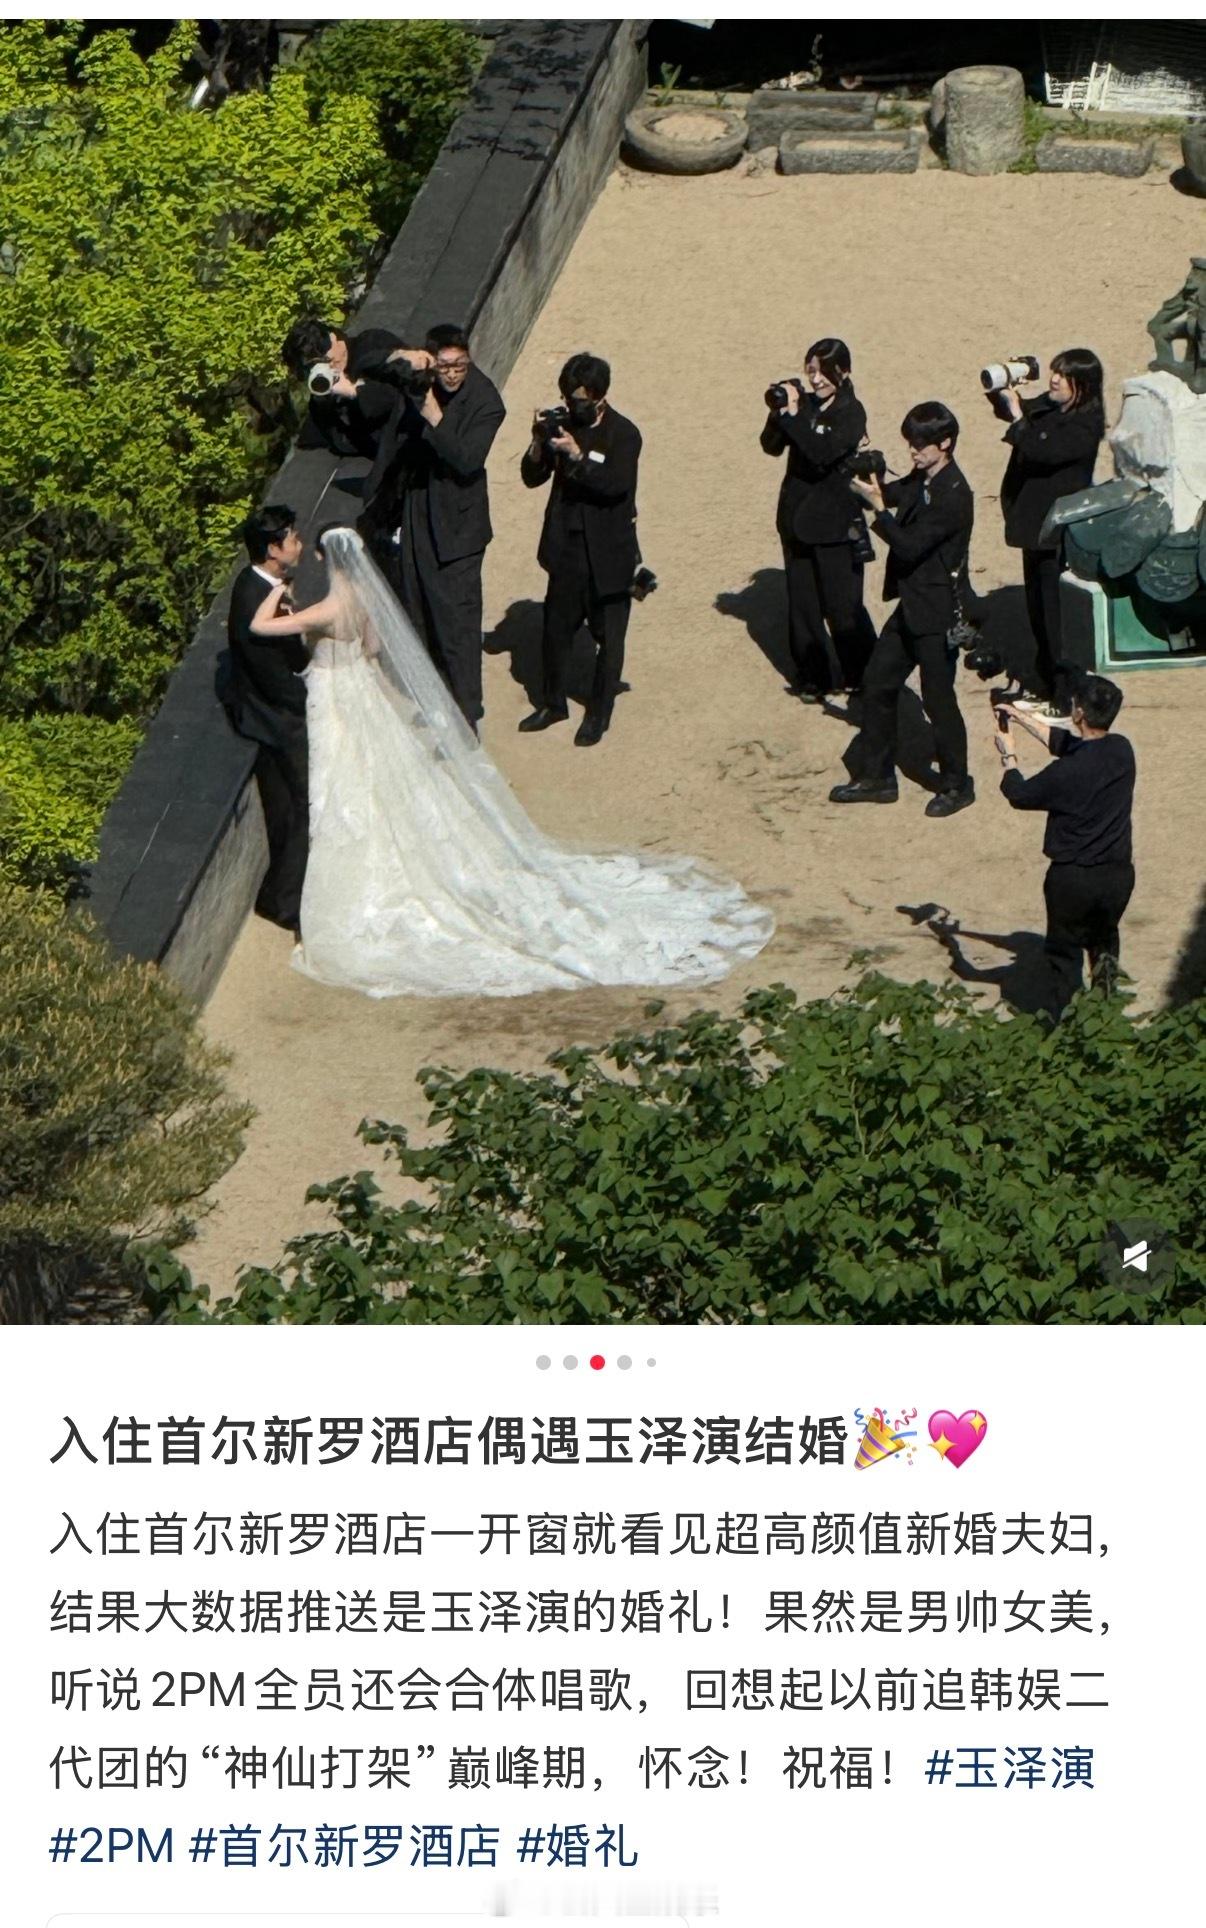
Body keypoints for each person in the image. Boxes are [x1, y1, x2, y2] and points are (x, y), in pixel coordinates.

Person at [247, 526, 773, 998]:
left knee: (344, 785)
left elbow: (260, 627)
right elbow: (373, 645)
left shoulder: (328, 608)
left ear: (328, 559)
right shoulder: (364, 599)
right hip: (362, 692)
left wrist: (277, 592)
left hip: (334, 699)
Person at [832, 401, 976, 818]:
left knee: (938, 701)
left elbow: (910, 545)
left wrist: (878, 508)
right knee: (878, 683)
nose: (913, 451)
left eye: (920, 444)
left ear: (944, 444)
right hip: (912, 606)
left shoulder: (955, 494)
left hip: (937, 613)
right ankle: (878, 778)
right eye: (911, 442)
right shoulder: (923, 478)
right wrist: (864, 480)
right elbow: (893, 494)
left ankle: (957, 783)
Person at [359, 324, 505, 732]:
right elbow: (363, 362)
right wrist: (400, 357)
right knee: (421, 612)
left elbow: (467, 461)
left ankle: (467, 715)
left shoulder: (486, 402)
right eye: (445, 366)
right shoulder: (420, 375)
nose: (453, 374)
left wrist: (433, 415)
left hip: (458, 526)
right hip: (417, 510)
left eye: (460, 366)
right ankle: (440, 700)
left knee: (457, 624)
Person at [518, 352, 641, 748]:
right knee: (555, 631)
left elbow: (616, 486)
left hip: (608, 552)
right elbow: (532, 477)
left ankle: (598, 713)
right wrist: (538, 443)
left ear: (600, 397)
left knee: (610, 639)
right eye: (569, 399)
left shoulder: (624, 434)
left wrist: (577, 456)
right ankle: (553, 704)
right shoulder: (562, 425)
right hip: (567, 547)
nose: (573, 407)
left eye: (580, 400)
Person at [995, 674, 1135, 1018]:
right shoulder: (1122, 750)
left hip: (1072, 880)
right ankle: (1106, 1015)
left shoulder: (1064, 774)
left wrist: (1008, 756)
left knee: (1064, 953)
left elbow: (1019, 794)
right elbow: (1068, 743)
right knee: (1105, 943)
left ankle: (1069, 1024)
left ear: (1079, 713)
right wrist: (1022, 718)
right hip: (1117, 875)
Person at [759, 336, 878, 699]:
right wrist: (778, 413)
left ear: (844, 372)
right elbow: (770, 446)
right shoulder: (804, 405)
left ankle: (863, 673)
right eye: (811, 371)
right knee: (804, 605)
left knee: (843, 607)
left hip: (834, 525)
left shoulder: (851, 412)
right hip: (795, 519)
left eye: (824, 372)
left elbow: (821, 454)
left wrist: (794, 418)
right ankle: (814, 675)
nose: (815, 379)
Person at [993, 348, 1105, 718]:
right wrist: (1001, 388)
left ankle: (1063, 696)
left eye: (1062, 375)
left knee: (1056, 618)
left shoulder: (1085, 426)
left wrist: (1018, 417)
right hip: (1035, 529)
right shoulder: (1053, 405)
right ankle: (1045, 684)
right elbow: (1017, 411)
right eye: (1054, 371)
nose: (1053, 379)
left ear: (1082, 386)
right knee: (1038, 610)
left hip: (1056, 535)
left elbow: (1042, 450)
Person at [223, 505, 309, 933]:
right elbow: (274, 676)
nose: (299, 544)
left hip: (270, 713)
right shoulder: (255, 599)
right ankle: (284, 901)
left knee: (287, 807)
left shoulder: (255, 584)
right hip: (279, 719)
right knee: (303, 805)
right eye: (292, 538)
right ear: (273, 550)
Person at [282, 316, 406, 460]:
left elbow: (407, 394)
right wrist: (330, 402)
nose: (328, 366)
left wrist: (355, 391)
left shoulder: (372, 345)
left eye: (325, 360)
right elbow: (344, 443)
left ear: (333, 338)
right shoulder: (324, 395)